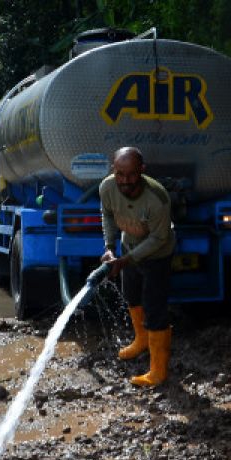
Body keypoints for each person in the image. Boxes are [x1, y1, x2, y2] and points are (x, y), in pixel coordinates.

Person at [99, 146, 176, 387]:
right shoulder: (107, 187)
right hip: (127, 247)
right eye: (120, 174)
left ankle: (158, 371)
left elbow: (158, 239)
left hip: (157, 254)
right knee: (132, 296)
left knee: (155, 309)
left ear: (141, 171)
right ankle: (140, 340)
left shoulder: (157, 199)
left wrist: (125, 260)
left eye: (131, 175)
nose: (125, 181)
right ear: (114, 170)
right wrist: (110, 247)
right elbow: (108, 215)